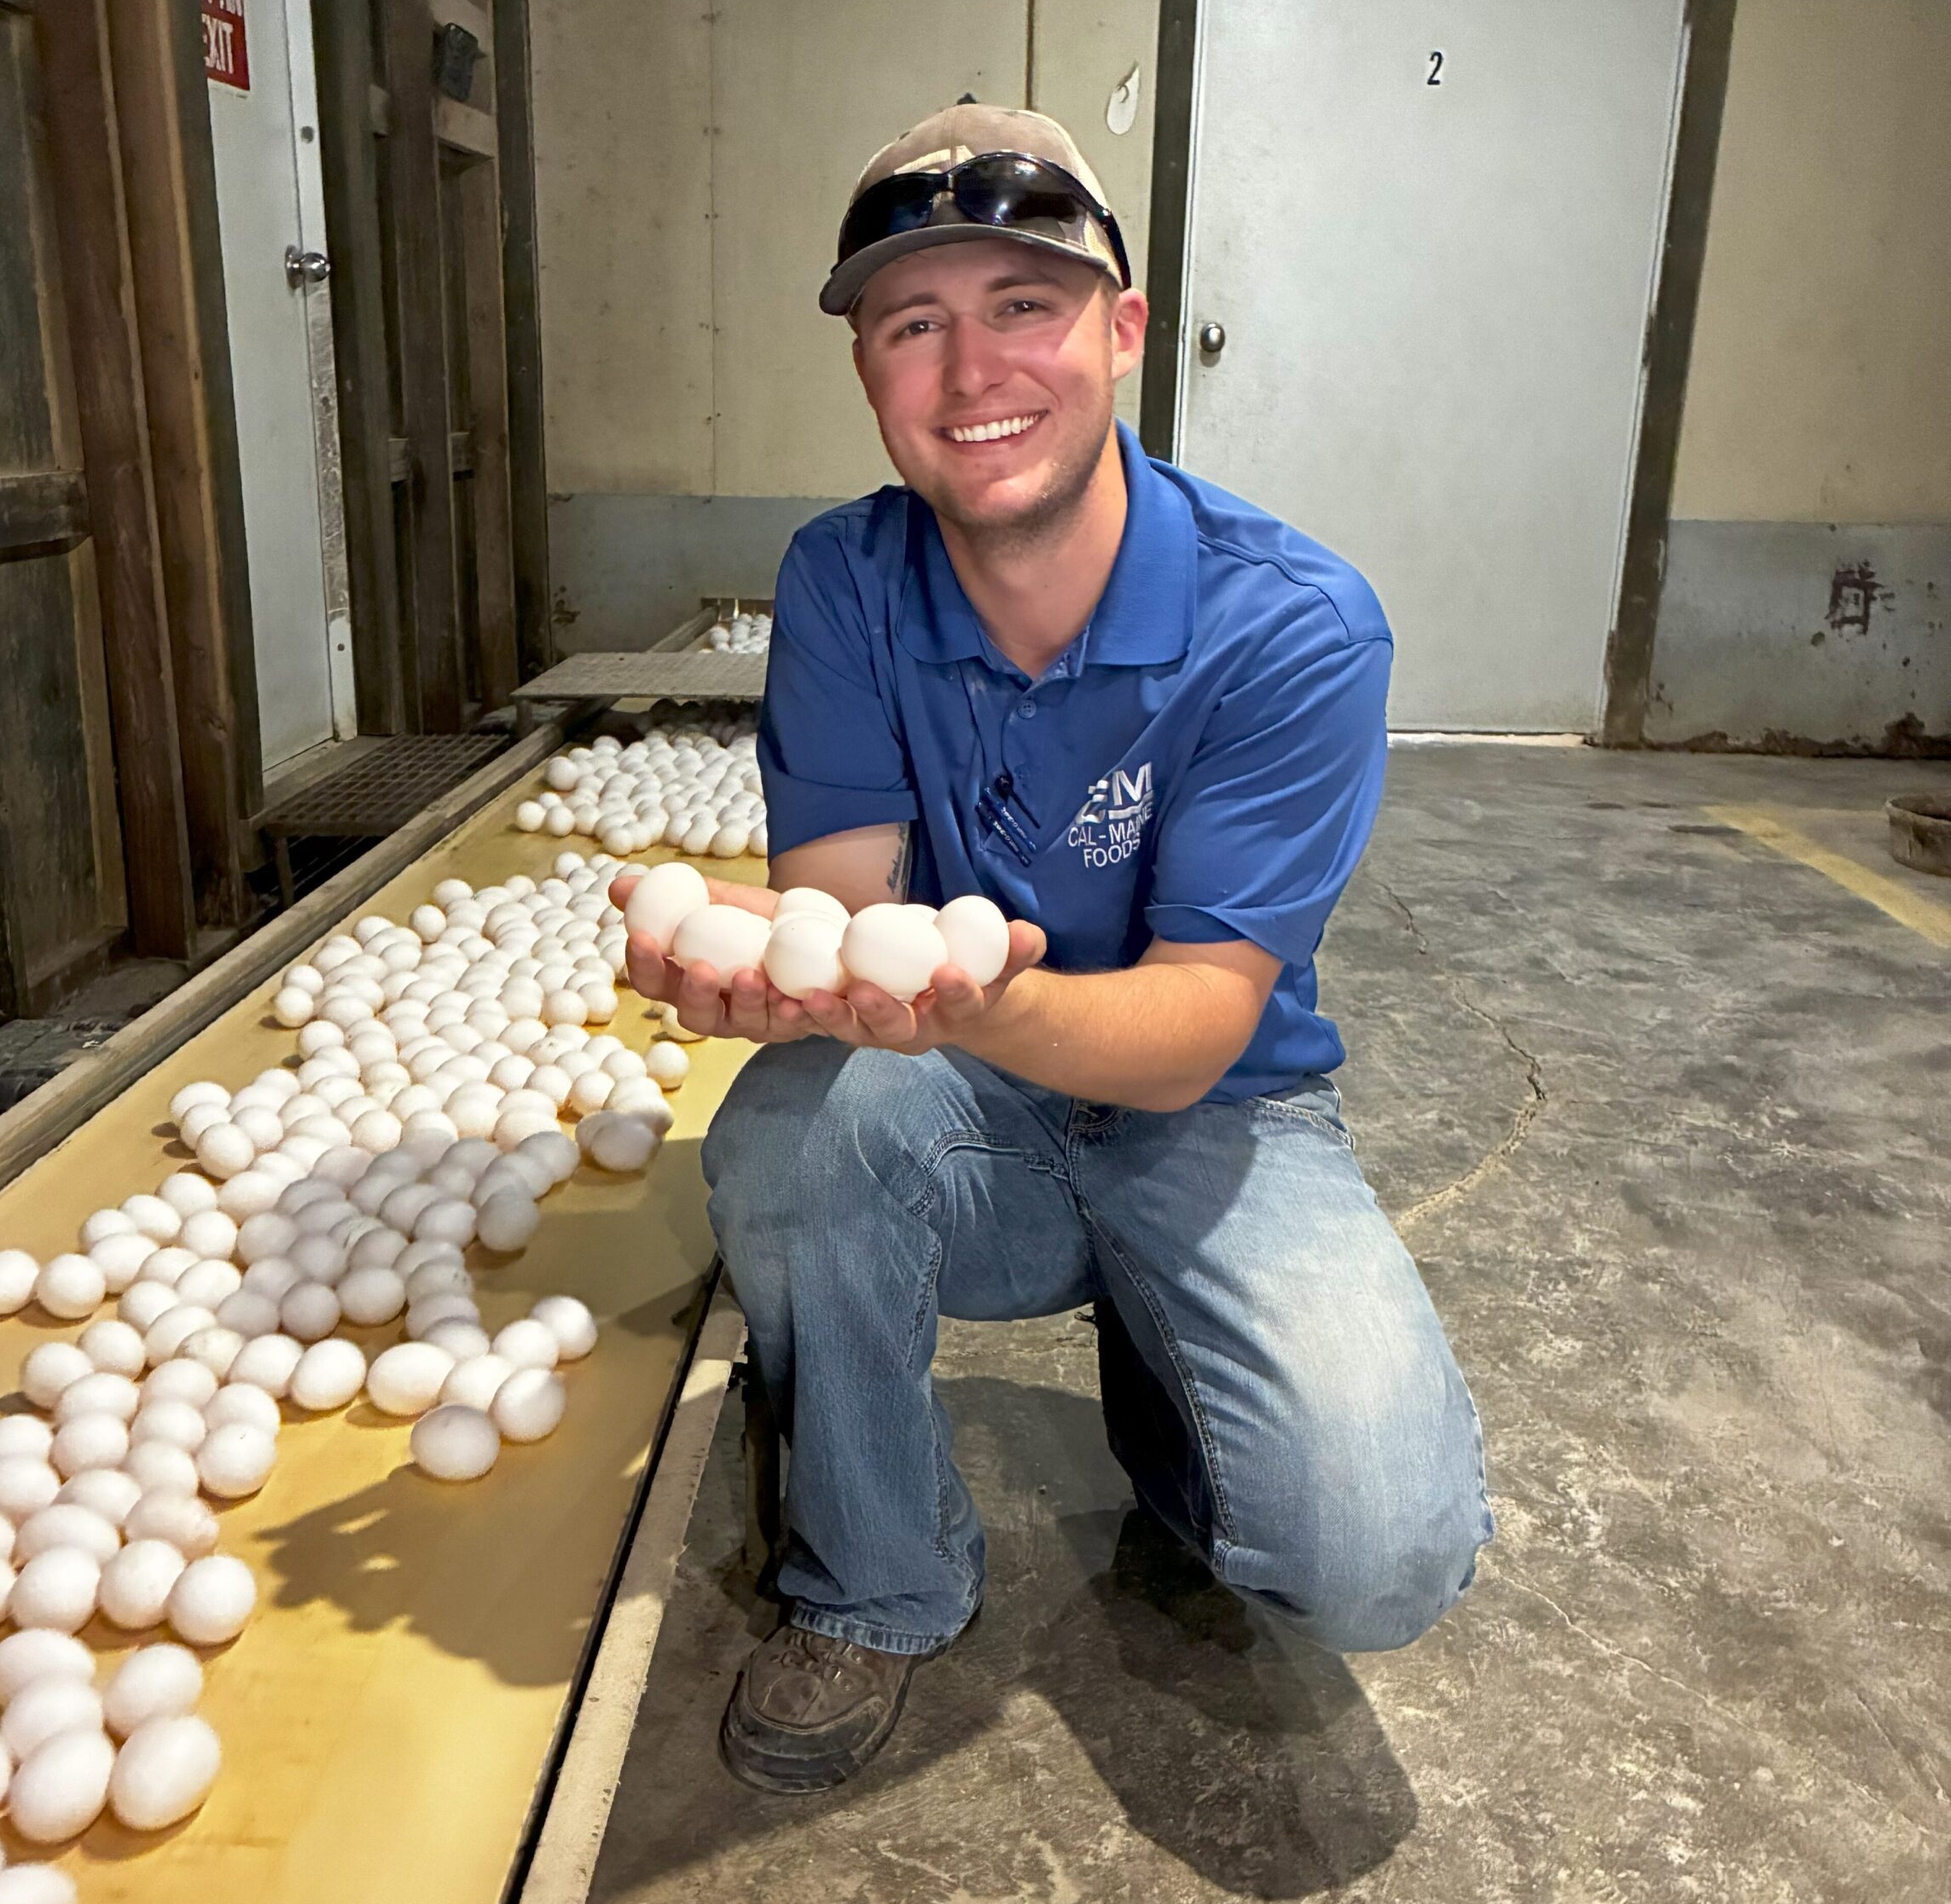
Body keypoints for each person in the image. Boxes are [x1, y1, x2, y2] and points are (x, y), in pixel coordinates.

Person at [618, 104, 1493, 1797]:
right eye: (910, 325)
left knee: (1371, 1551)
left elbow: (1183, 1035)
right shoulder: (845, 580)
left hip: (1216, 1112)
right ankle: (873, 1576)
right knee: (790, 1133)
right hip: (969, 1098)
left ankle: (1174, 1399)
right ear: (865, 367)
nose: (968, 376)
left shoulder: (1286, 622)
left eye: (1022, 304)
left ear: (1121, 327)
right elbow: (840, 908)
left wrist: (971, 992)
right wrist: (794, 975)